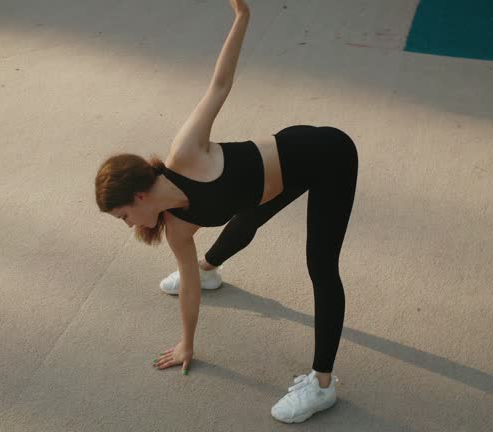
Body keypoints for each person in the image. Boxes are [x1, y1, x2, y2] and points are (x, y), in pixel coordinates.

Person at [94, 0, 358, 424]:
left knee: (321, 267)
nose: (128, 227)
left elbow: (219, 85)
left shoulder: (186, 154)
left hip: (325, 155)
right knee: (246, 216)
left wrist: (242, 18)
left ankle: (322, 385)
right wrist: (186, 344)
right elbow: (190, 290)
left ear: (139, 197)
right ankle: (211, 265)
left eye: (123, 216)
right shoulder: (176, 226)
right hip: (266, 182)